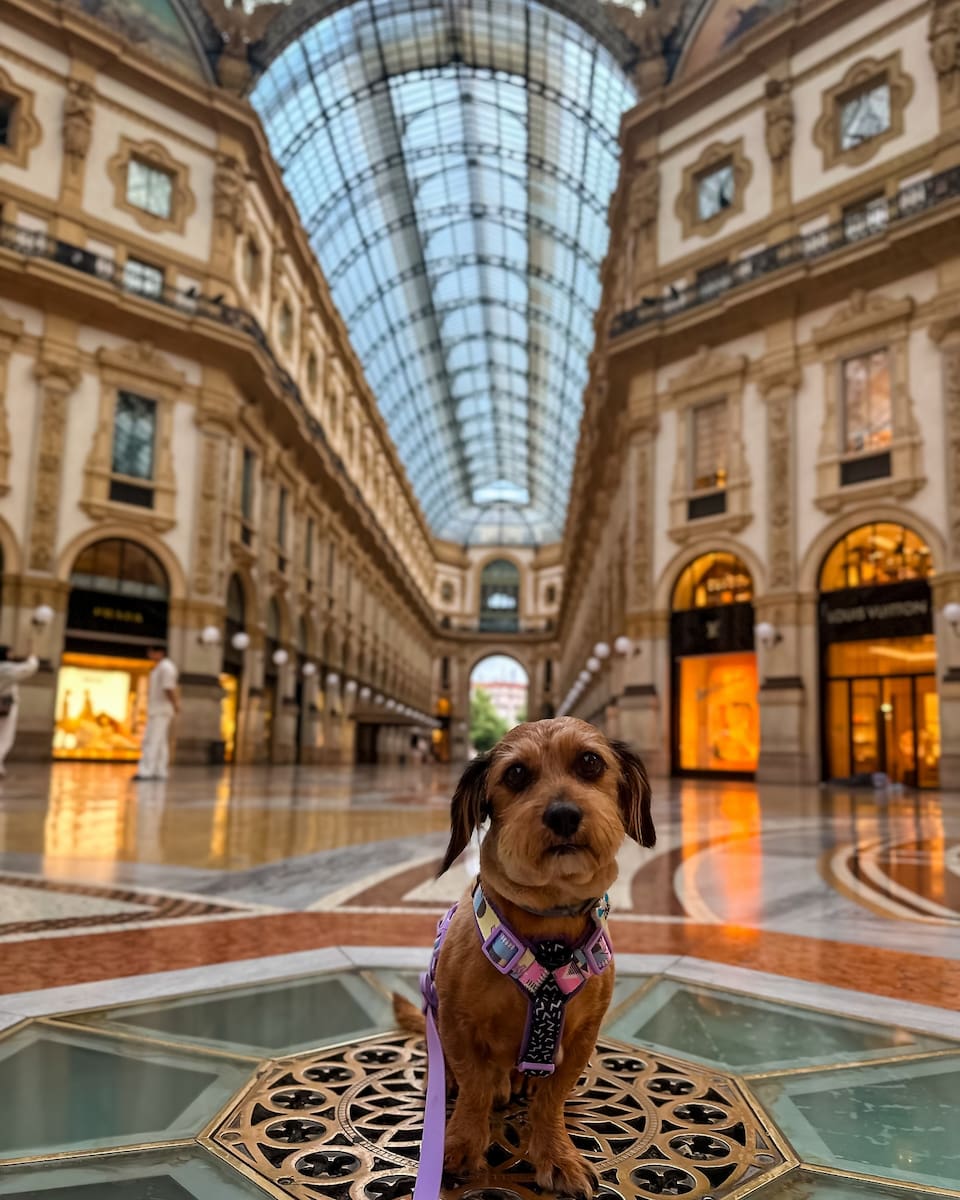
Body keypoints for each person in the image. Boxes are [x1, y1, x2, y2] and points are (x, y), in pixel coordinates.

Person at [134, 644, 179, 781]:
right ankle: (159, 770)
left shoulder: (166, 668)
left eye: (151, 652)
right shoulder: (160, 667)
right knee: (160, 742)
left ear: (160, 653)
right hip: (158, 709)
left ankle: (146, 771)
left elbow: (169, 688)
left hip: (160, 710)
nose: (150, 656)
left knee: (152, 740)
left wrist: (175, 704)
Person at [0, 651, 39, 776]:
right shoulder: (6, 668)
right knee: (4, 735)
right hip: (4, 704)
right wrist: (33, 657)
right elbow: (28, 668)